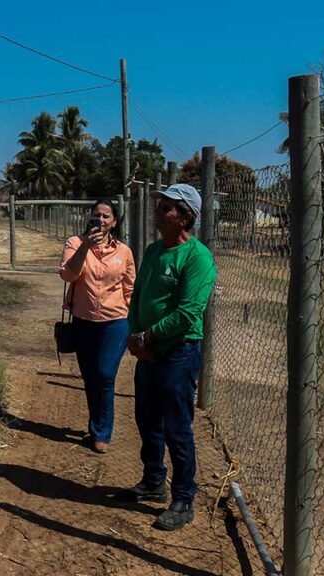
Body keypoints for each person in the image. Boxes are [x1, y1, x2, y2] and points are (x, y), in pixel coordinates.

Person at [118, 183, 217, 531]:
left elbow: (189, 313)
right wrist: (134, 334)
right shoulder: (153, 250)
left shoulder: (198, 258)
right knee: (147, 420)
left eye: (167, 207)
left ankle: (184, 498)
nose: (158, 210)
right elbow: (138, 295)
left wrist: (147, 336)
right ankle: (153, 482)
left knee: (177, 428)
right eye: (159, 204)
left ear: (185, 217)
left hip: (178, 354)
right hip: (147, 350)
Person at [58, 200, 135, 454]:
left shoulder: (124, 251)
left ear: (114, 221)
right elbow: (68, 275)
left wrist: (133, 319)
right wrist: (86, 247)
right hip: (84, 321)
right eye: (96, 216)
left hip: (116, 322)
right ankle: (95, 426)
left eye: (106, 216)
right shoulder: (75, 243)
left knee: (104, 375)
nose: (100, 220)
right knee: (91, 376)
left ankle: (103, 432)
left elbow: (130, 288)